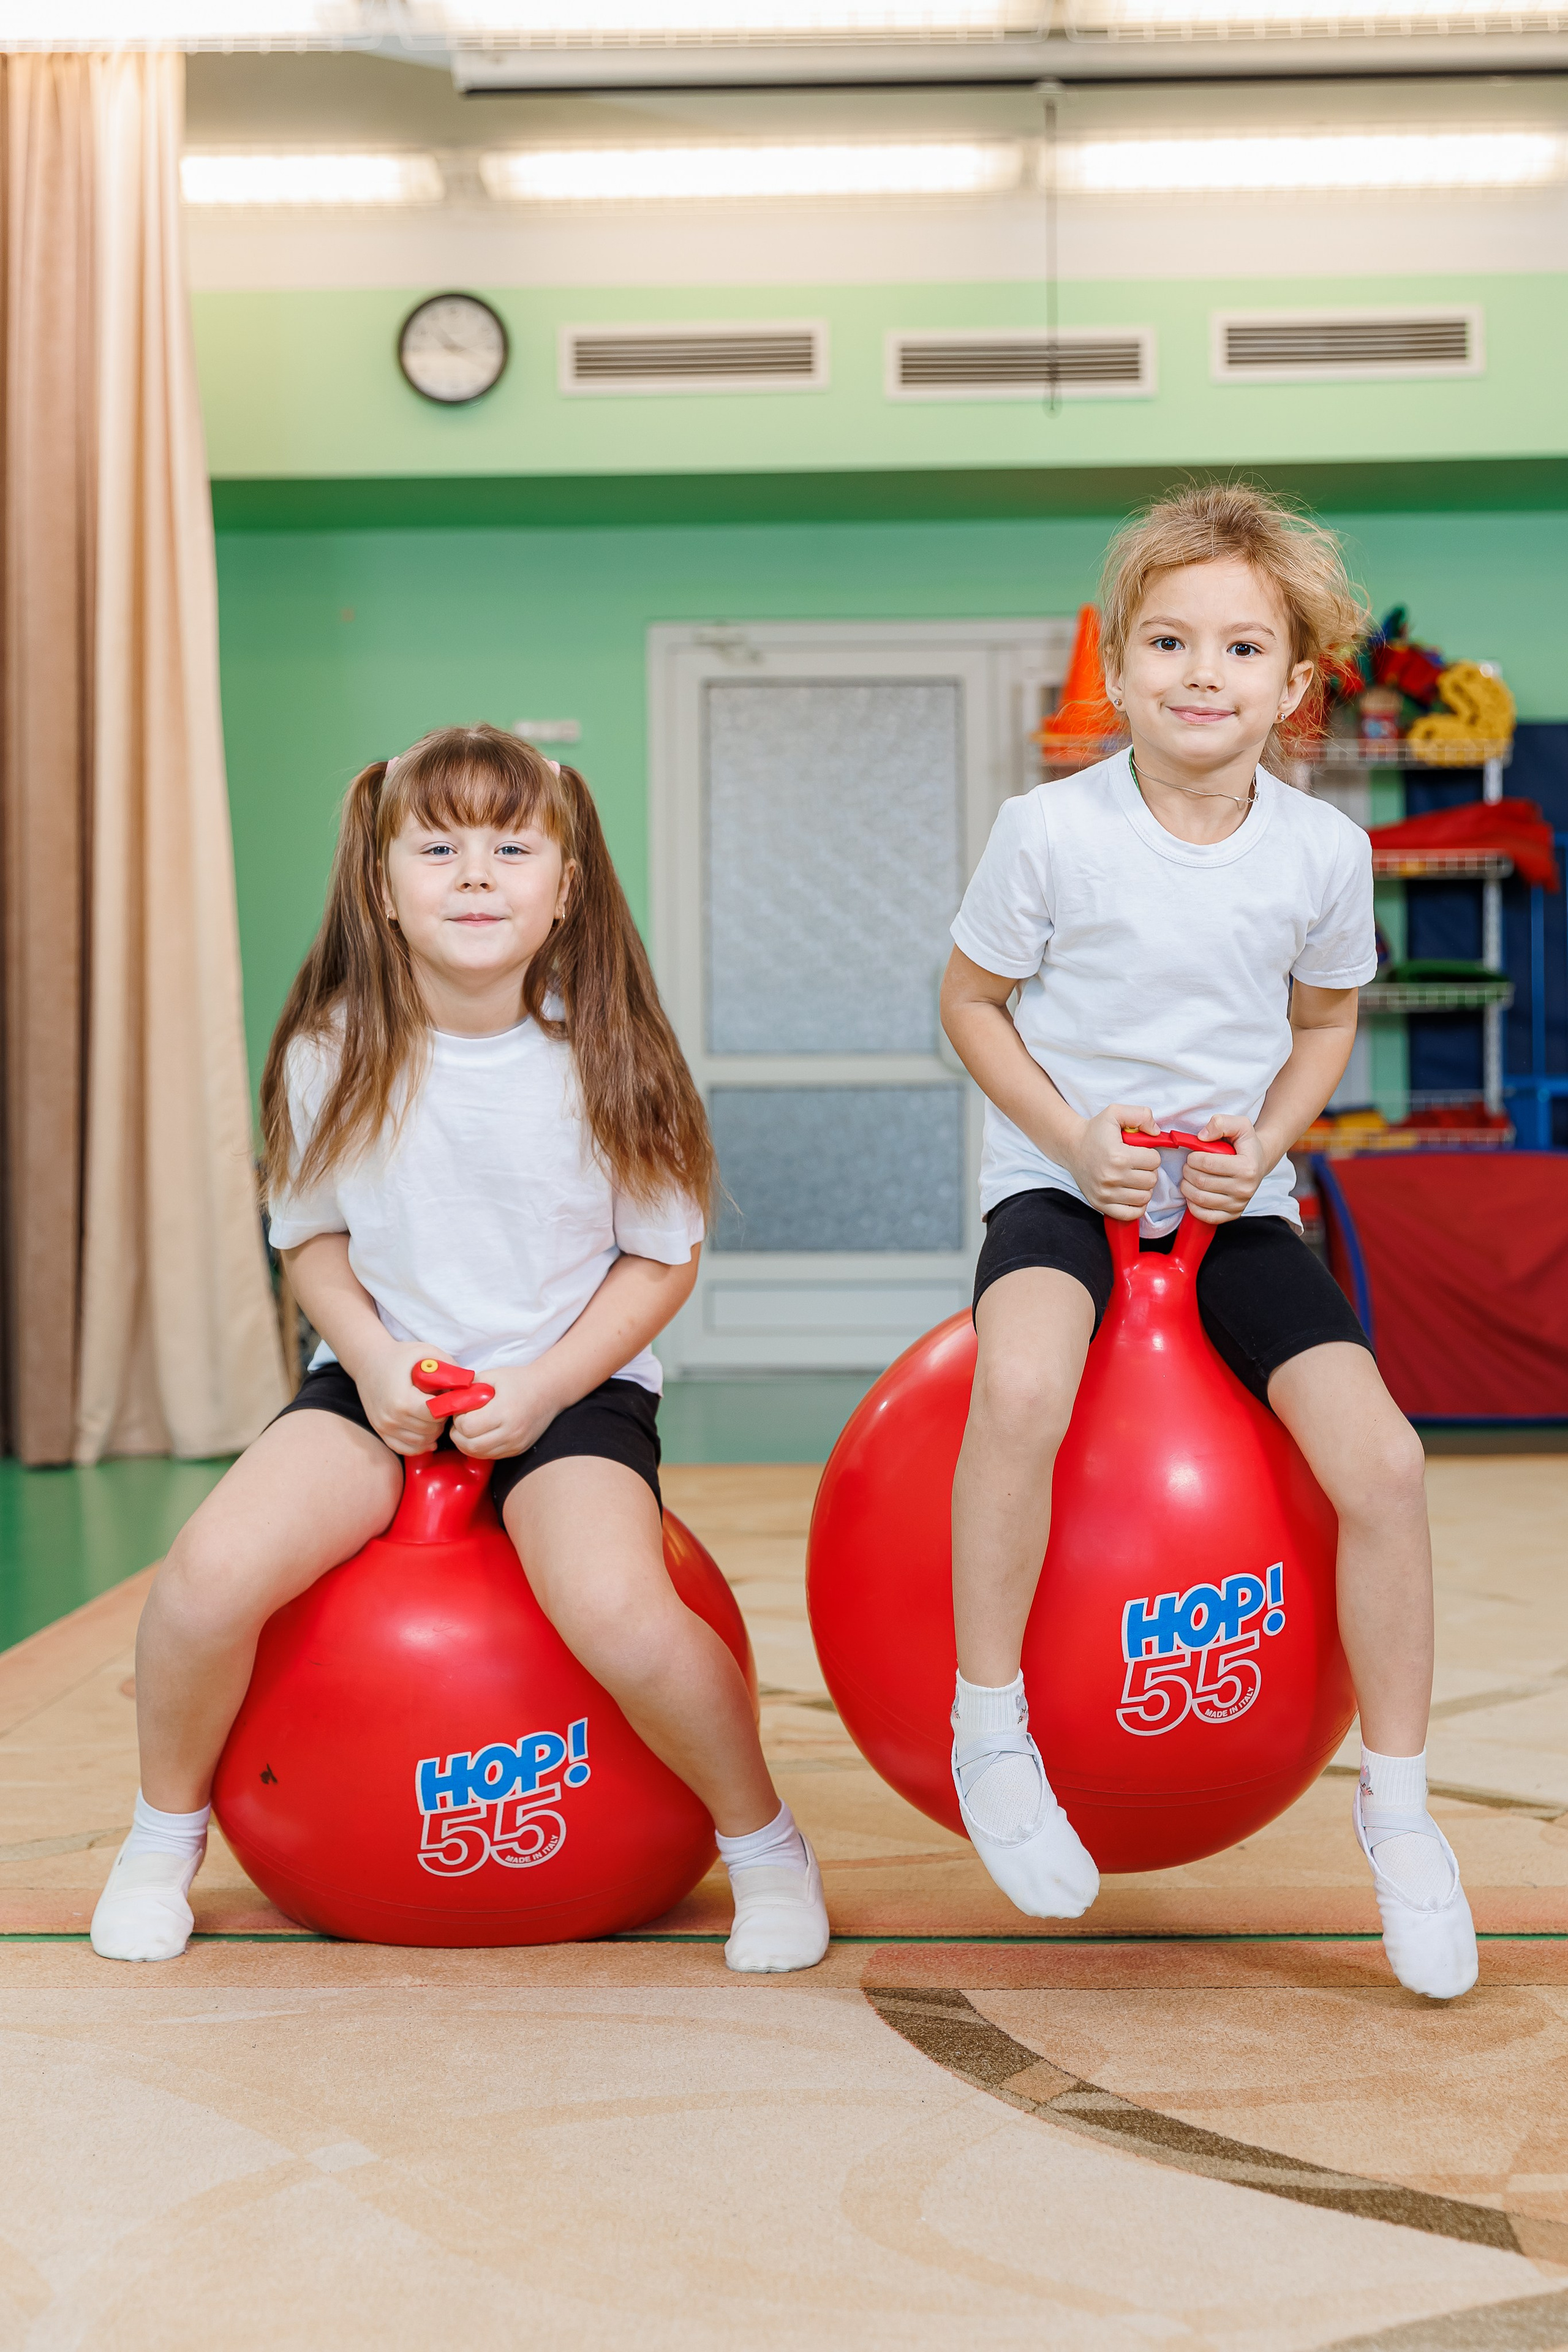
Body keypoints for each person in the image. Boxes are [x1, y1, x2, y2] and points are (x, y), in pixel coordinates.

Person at [91, 725, 829, 1975]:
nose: (473, 873)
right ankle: (164, 1835)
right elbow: (311, 1240)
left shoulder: (611, 1057)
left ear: (565, 887)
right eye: (437, 848)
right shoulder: (334, 1050)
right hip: (377, 1382)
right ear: (384, 888)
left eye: (509, 846)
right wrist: (376, 1366)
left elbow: (660, 1259)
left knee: (618, 1612)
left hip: (572, 1386)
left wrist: (544, 1387)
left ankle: (764, 1847)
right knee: (205, 1580)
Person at [940, 483, 1476, 2001]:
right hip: (1064, 1184)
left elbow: (1321, 1025)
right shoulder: (1047, 830)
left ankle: (1398, 1813)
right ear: (1116, 661)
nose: (1199, 672)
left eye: (1239, 648)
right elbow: (968, 1003)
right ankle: (994, 1734)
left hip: (1235, 1203)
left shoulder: (1317, 853)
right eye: (1167, 640)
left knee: (1381, 1465)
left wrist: (1265, 1147)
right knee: (1026, 1392)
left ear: (1293, 683)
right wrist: (1067, 1145)